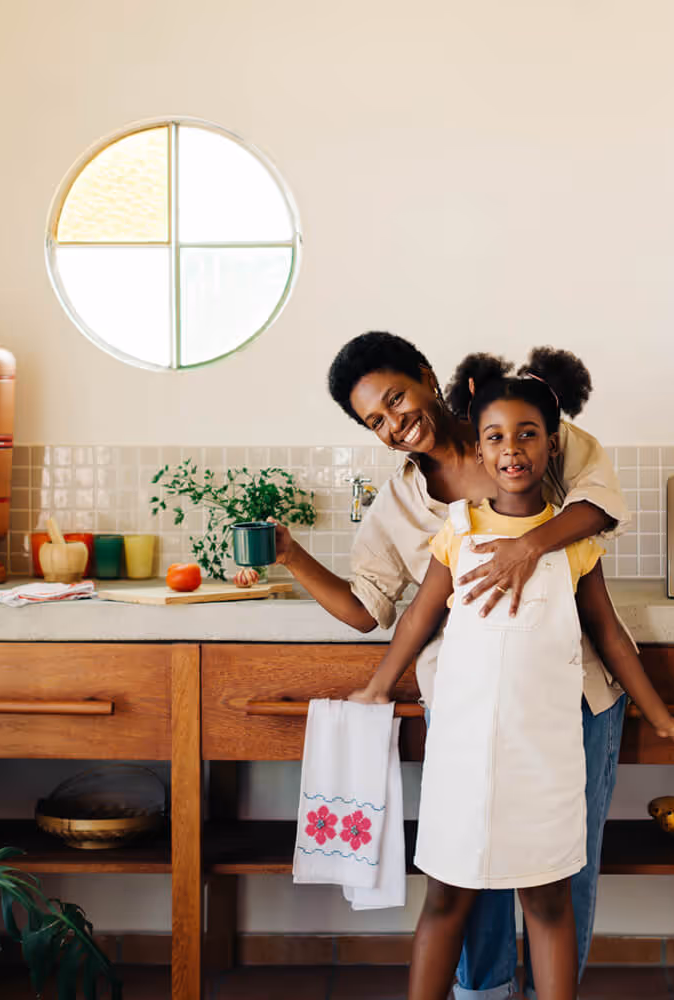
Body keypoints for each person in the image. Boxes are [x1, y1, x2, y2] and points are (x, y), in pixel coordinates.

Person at [269, 332, 629, 998]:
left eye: (396, 399)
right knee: (470, 872)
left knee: (560, 873)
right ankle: (483, 993)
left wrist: (528, 549)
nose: (394, 423)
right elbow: (369, 608)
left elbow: (597, 505)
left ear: (428, 378)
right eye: (374, 420)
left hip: (571, 693)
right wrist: (291, 556)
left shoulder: (523, 428)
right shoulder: (403, 503)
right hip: (467, 710)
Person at [348, 348, 674, 1000]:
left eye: (527, 435)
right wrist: (379, 685)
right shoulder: (455, 532)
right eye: (495, 437)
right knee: (447, 898)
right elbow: (413, 620)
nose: (511, 449)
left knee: (548, 901)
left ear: (553, 447)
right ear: (480, 453)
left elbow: (611, 638)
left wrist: (663, 717)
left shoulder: (576, 542)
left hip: (546, 757)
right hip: (464, 752)